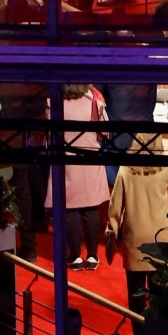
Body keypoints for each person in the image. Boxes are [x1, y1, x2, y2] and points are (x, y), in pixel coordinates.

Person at [105, 140, 168, 315]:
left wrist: (112, 230)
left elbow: (115, 205)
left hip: (135, 239)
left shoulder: (125, 170)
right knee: (160, 297)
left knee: (136, 295)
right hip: (161, 239)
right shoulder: (164, 168)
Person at [57, 85, 112, 270]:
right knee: (91, 208)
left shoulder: (54, 101)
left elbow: (51, 132)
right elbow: (105, 131)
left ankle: (75, 257)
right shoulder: (95, 99)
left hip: (67, 158)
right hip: (90, 157)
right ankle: (92, 256)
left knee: (70, 208)